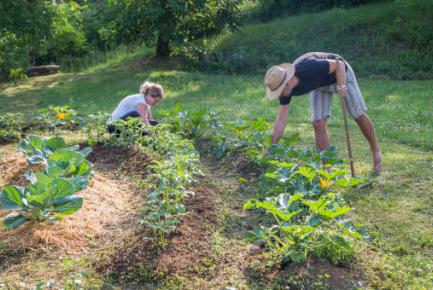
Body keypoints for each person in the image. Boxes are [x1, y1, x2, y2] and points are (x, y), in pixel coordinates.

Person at [264, 52, 382, 171]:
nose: (279, 95)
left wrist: (342, 85)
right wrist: (272, 146)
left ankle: (376, 151)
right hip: (319, 84)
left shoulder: (308, 67)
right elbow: (281, 119)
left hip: (340, 74)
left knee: (357, 114)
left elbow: (339, 64)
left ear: (287, 84)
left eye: (279, 91)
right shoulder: (285, 89)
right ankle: (327, 168)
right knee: (317, 122)